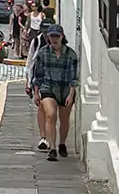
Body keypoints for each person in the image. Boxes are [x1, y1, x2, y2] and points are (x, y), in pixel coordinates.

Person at [27, 26, 81, 161]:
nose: (54, 39)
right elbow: (37, 75)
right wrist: (36, 92)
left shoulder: (71, 54)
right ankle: (52, 148)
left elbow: (73, 77)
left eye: (57, 36)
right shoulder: (43, 53)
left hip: (64, 89)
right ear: (48, 38)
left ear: (62, 37)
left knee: (64, 119)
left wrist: (71, 94)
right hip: (48, 87)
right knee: (50, 115)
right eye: (52, 36)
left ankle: (62, 143)